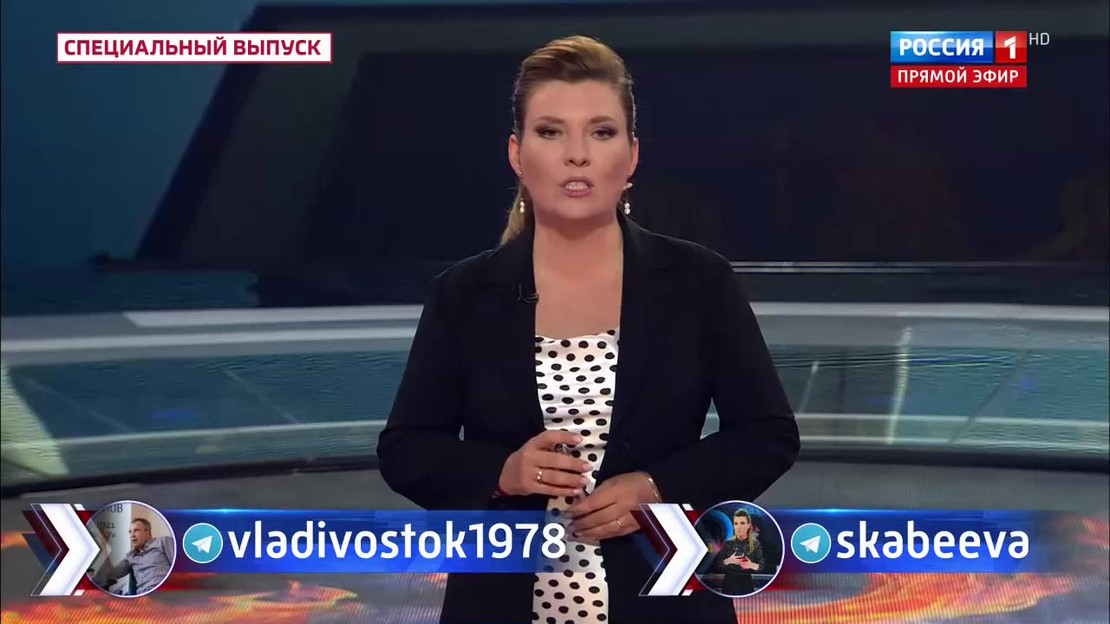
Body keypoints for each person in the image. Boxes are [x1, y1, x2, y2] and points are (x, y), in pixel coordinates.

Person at [377, 35, 799, 624]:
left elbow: (766, 434)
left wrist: (657, 487)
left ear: (631, 155)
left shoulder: (698, 281)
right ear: (517, 154)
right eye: (551, 132)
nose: (577, 155)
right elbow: (407, 449)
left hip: (662, 594)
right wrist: (502, 473)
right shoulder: (464, 294)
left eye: (600, 132)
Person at [91, 518, 174, 595]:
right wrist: (104, 547)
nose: (132, 535)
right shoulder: (130, 555)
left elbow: (178, 566)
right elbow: (112, 574)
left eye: (136, 530)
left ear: (148, 533)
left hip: (164, 593)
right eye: (130, 532)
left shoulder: (162, 541)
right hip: (143, 598)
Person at [710, 509, 765, 596]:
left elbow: (761, 567)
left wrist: (751, 565)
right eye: (737, 524)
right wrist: (729, 560)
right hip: (729, 582)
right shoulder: (728, 543)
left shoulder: (756, 544)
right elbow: (718, 565)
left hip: (746, 582)